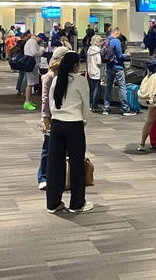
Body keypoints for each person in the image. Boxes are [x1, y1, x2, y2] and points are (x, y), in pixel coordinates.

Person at [46, 52, 93, 214]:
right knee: (77, 163)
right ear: (75, 66)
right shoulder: (80, 81)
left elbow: (52, 104)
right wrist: (84, 121)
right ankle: (77, 203)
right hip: (74, 124)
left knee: (55, 165)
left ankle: (53, 202)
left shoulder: (56, 80)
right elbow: (86, 106)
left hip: (57, 124)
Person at [38, 46, 71, 191]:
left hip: (66, 117)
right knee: (48, 147)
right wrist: (46, 118)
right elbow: (45, 99)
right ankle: (43, 176)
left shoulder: (68, 75)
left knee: (64, 149)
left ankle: (61, 177)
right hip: (52, 117)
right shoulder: (49, 76)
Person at [103, 27, 136, 116]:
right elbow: (120, 56)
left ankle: (105, 108)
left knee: (108, 87)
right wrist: (127, 55)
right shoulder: (116, 41)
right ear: (116, 33)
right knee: (122, 87)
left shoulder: (106, 40)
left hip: (109, 66)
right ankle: (125, 109)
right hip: (118, 67)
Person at [23, 32, 46, 111]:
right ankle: (27, 102)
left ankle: (29, 101)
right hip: (31, 65)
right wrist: (42, 53)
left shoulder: (31, 42)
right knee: (30, 84)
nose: (42, 42)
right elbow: (34, 53)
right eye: (42, 40)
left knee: (31, 84)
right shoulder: (33, 42)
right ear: (39, 38)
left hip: (31, 64)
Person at [85, 34, 103, 111]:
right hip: (97, 71)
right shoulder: (97, 51)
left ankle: (90, 104)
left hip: (90, 71)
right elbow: (99, 62)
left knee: (92, 88)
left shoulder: (89, 50)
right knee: (96, 89)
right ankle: (95, 106)